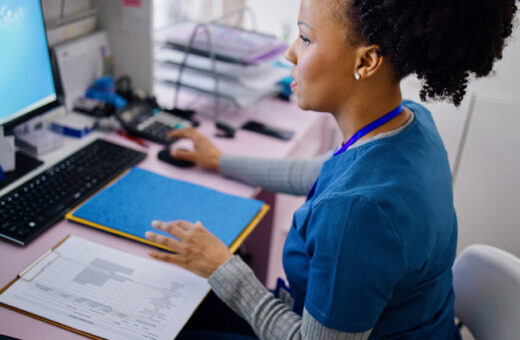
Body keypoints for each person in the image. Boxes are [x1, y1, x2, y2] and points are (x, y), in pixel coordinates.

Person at [145, 0, 518, 338]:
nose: (291, 52)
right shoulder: (411, 126)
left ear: (366, 62)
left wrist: (223, 266)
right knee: (174, 301)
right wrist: (221, 161)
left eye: (306, 39)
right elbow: (323, 172)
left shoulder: (356, 213)